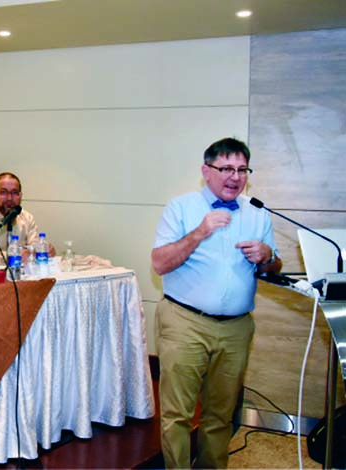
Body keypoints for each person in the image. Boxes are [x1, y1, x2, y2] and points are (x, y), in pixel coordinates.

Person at [151, 137, 282, 469]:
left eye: (241, 169)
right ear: (205, 171)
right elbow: (160, 263)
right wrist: (199, 233)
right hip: (185, 322)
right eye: (226, 168)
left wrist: (267, 257)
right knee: (177, 414)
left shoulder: (256, 212)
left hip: (237, 328)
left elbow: (273, 267)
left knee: (221, 415)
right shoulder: (181, 207)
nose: (234, 177)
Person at [0, 172, 56, 264]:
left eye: (14, 193)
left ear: (20, 196)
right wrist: (16, 255)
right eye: (3, 192)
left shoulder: (27, 217)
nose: (9, 198)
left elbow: (34, 245)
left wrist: (43, 249)